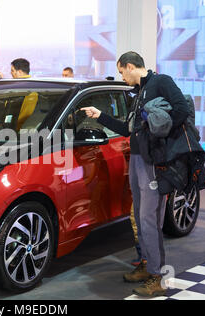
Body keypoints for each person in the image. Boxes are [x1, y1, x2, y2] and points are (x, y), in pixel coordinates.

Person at [82, 51, 190, 297]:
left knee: (149, 217)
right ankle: (146, 264)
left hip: (154, 161)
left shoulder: (161, 82)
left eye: (122, 71)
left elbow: (181, 109)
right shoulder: (139, 92)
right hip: (138, 158)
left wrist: (160, 131)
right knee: (141, 218)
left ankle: (158, 276)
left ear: (130, 66)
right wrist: (100, 116)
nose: (122, 76)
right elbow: (128, 129)